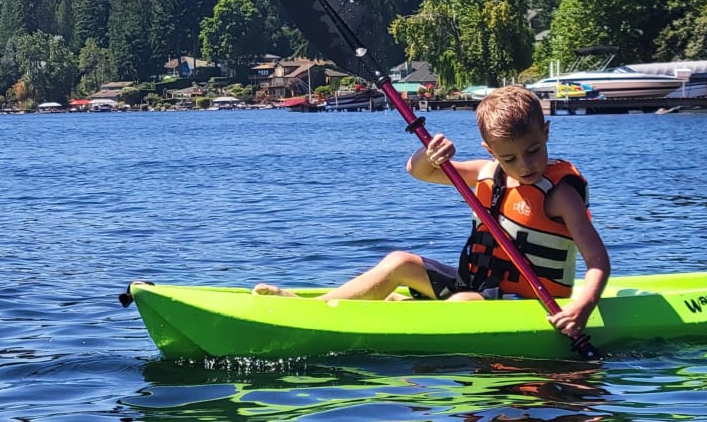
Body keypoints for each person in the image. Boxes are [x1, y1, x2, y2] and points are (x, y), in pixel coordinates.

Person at [254, 85, 610, 339]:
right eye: (510, 157)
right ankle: (313, 310)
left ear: (546, 133)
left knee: (465, 302)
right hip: (477, 286)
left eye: (533, 150)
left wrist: (584, 306)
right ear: (491, 151)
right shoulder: (488, 173)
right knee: (399, 262)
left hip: (528, 301)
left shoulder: (560, 194)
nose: (525, 165)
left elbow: (597, 261)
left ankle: (398, 307)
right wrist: (431, 156)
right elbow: (418, 171)